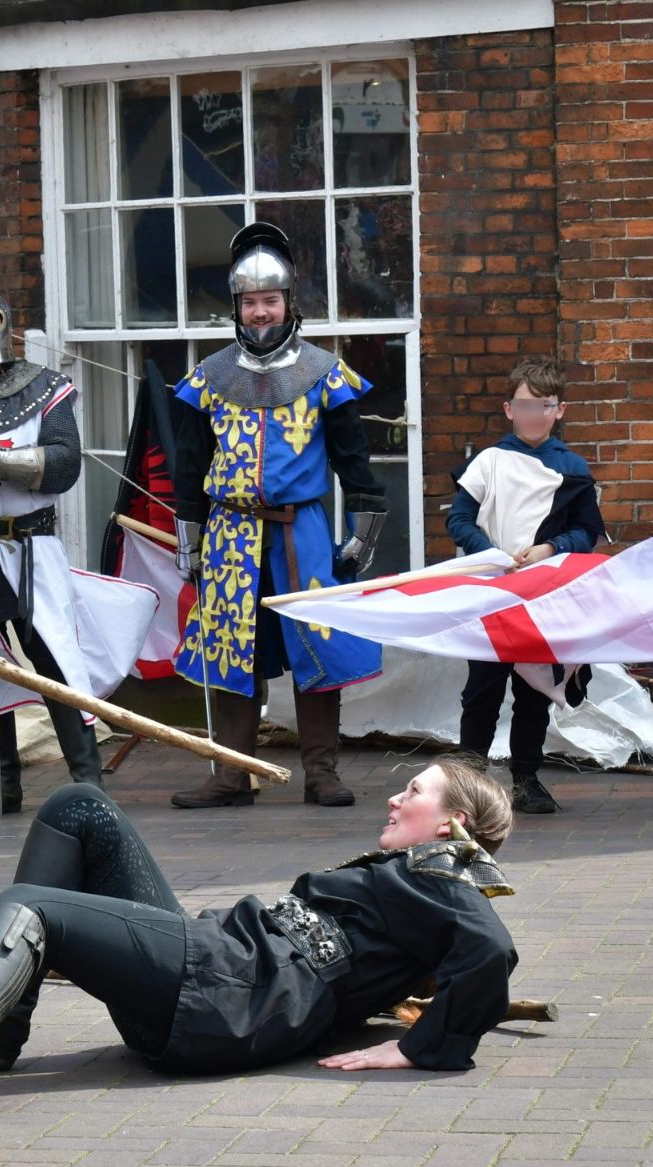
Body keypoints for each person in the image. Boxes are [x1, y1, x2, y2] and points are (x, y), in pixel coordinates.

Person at [0, 756, 521, 1126]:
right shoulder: (419, 880)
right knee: (80, 808)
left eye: (414, 792)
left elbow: (490, 949)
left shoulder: (440, 873)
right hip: (222, 975)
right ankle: (2, 1024)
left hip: (227, 997)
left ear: (450, 825)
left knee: (30, 907)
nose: (396, 799)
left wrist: (419, 1048)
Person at [0, 224, 153, 817]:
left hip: (29, 549)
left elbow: (65, 463)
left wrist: (2, 463)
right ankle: (3, 782)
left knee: (54, 656)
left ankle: (87, 779)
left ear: (5, 325)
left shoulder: (46, 388)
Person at [169, 222, 387, 810]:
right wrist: (188, 543)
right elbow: (189, 470)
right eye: (250, 302)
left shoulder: (325, 374)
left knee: (318, 643)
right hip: (228, 531)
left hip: (302, 530)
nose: (260, 312)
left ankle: (321, 772)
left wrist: (361, 540)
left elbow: (356, 465)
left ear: (289, 302)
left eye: (270, 300)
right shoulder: (207, 379)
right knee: (230, 649)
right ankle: (231, 774)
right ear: (236, 308)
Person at [444, 355, 605, 814]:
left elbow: (586, 532)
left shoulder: (572, 468)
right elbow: (459, 520)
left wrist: (550, 548)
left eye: (544, 406)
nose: (534, 414)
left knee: (534, 691)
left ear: (560, 410)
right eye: (526, 405)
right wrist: (491, 552)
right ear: (509, 409)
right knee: (482, 690)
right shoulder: (488, 463)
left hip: (542, 594)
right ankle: (470, 782)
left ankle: (526, 779)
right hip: (492, 593)